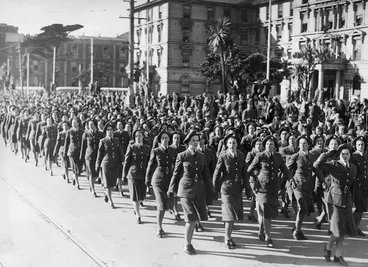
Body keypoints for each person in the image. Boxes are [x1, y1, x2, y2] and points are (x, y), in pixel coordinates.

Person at [167, 130, 214, 255]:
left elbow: (206, 174)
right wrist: (171, 189)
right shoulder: (182, 155)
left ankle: (189, 242)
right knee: (191, 218)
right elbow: (176, 174)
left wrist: (211, 190)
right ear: (188, 142)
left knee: (194, 219)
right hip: (185, 190)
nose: (195, 143)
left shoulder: (201, 155)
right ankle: (187, 244)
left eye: (197, 141)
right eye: (193, 141)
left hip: (198, 190)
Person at [314, 144, 357, 266]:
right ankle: (328, 248)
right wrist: (327, 153)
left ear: (350, 155)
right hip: (334, 201)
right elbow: (316, 165)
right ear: (339, 155)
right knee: (337, 231)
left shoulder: (353, 167)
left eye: (347, 154)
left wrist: (352, 201)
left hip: (346, 201)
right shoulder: (334, 164)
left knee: (343, 230)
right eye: (342, 154)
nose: (345, 156)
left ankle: (338, 256)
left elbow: (352, 186)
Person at [247, 135, 291, 247]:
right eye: (266, 144)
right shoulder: (260, 156)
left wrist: (290, 179)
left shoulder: (278, 156)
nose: (268, 146)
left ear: (274, 146)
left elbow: (284, 169)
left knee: (267, 212)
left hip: (273, 188)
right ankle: (268, 237)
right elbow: (250, 169)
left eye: (271, 144)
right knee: (266, 211)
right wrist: (259, 175)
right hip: (262, 188)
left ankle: (261, 232)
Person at [212, 133, 248, 249]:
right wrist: (214, 189)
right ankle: (227, 238)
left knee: (234, 215)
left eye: (234, 143)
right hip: (226, 188)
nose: (232, 145)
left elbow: (244, 173)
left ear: (237, 144)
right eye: (230, 143)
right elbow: (217, 174)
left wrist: (247, 189)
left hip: (237, 189)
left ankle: (229, 236)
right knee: (229, 215)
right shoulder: (223, 156)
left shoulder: (242, 156)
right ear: (226, 145)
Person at [145, 130, 177, 237]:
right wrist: (147, 180)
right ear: (159, 141)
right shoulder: (156, 151)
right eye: (163, 138)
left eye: (167, 138)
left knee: (167, 204)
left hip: (169, 180)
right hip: (158, 180)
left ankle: (161, 224)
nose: (165, 140)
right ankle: (159, 227)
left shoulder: (173, 150)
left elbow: (177, 165)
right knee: (161, 205)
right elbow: (150, 165)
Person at [287, 135, 318, 240]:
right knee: (302, 206)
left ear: (308, 145)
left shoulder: (312, 156)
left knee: (305, 209)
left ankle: (296, 228)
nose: (302, 145)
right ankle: (297, 231)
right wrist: (291, 180)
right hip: (297, 185)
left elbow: (316, 169)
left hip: (308, 186)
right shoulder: (295, 156)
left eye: (304, 143)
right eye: (300, 143)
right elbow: (287, 170)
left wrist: (322, 181)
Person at [123, 129, 151, 223]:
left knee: (142, 195)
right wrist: (124, 174)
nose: (137, 138)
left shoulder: (147, 148)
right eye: (136, 136)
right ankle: (138, 215)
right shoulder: (131, 147)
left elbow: (150, 162)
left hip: (143, 174)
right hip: (133, 174)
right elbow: (126, 162)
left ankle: (136, 208)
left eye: (139, 136)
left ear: (143, 136)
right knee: (135, 195)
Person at [96, 123, 124, 208]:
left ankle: (106, 193)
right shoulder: (103, 141)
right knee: (108, 183)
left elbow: (120, 152)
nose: (110, 131)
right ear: (105, 132)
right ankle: (111, 201)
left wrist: (123, 161)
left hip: (115, 164)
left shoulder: (116, 140)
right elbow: (99, 154)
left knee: (112, 184)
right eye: (108, 130)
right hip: (106, 164)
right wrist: (97, 165)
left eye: (111, 130)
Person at [350, 136, 368, 236]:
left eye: (362, 144)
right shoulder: (353, 157)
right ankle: (353, 227)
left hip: (365, 185)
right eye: (359, 145)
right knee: (360, 207)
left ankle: (354, 227)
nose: (361, 146)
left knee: (363, 208)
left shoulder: (365, 156)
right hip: (357, 186)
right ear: (355, 146)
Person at [80, 120, 102, 197]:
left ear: (95, 125)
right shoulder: (86, 133)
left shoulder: (100, 134)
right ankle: (93, 189)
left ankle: (90, 183)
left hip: (98, 156)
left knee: (96, 173)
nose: (90, 126)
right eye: (89, 124)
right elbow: (83, 146)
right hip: (89, 156)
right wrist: (81, 156)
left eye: (92, 124)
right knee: (91, 173)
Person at [246, 137, 263, 222]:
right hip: (253, 178)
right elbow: (248, 166)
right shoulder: (250, 154)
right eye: (257, 144)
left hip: (261, 179)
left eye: (260, 144)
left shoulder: (263, 153)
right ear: (254, 146)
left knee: (255, 197)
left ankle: (251, 213)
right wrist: (256, 172)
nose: (259, 146)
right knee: (257, 196)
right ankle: (258, 214)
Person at [64, 118, 83, 189]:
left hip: (80, 151)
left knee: (79, 167)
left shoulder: (82, 131)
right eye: (72, 122)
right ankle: (77, 183)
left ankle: (73, 177)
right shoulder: (69, 131)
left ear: (78, 123)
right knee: (75, 167)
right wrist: (65, 153)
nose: (73, 124)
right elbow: (67, 142)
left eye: (75, 122)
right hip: (72, 152)